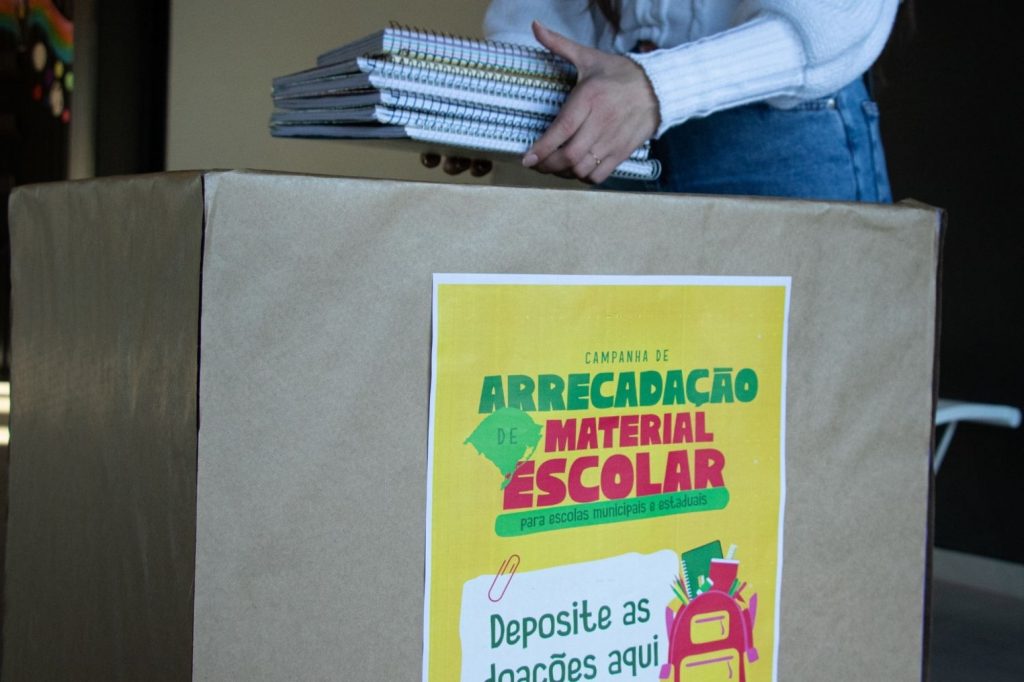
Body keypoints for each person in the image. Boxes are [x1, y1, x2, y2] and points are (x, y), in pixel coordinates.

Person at [484, 0, 899, 202]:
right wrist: (496, 107)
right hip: (614, 126)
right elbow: (541, 13)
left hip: (777, 136)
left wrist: (655, 87)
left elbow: (833, 21)